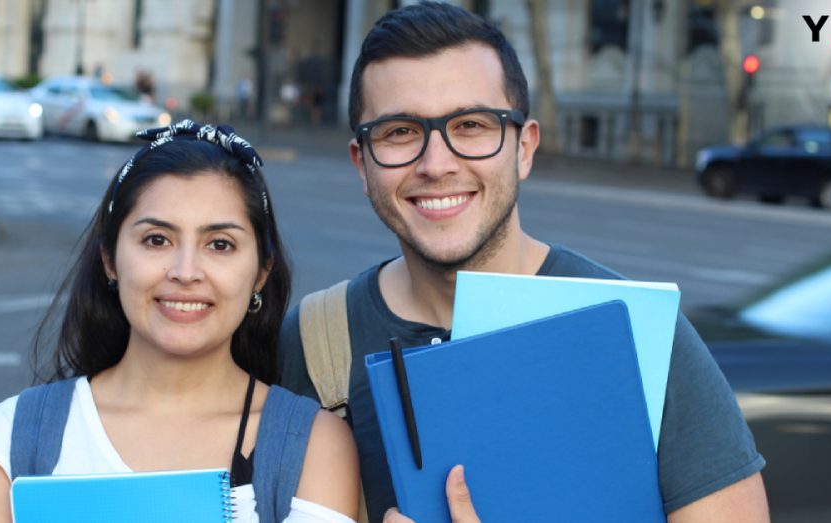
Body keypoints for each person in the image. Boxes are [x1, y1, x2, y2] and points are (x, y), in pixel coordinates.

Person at [277, 2, 770, 522]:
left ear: (525, 147)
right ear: (362, 162)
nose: (436, 164)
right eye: (399, 132)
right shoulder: (309, 345)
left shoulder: (640, 334)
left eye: (470, 125)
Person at [0, 120, 359, 523]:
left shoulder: (311, 445)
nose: (185, 271)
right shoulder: (13, 438)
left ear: (260, 271)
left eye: (220, 244)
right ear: (110, 260)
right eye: (157, 240)